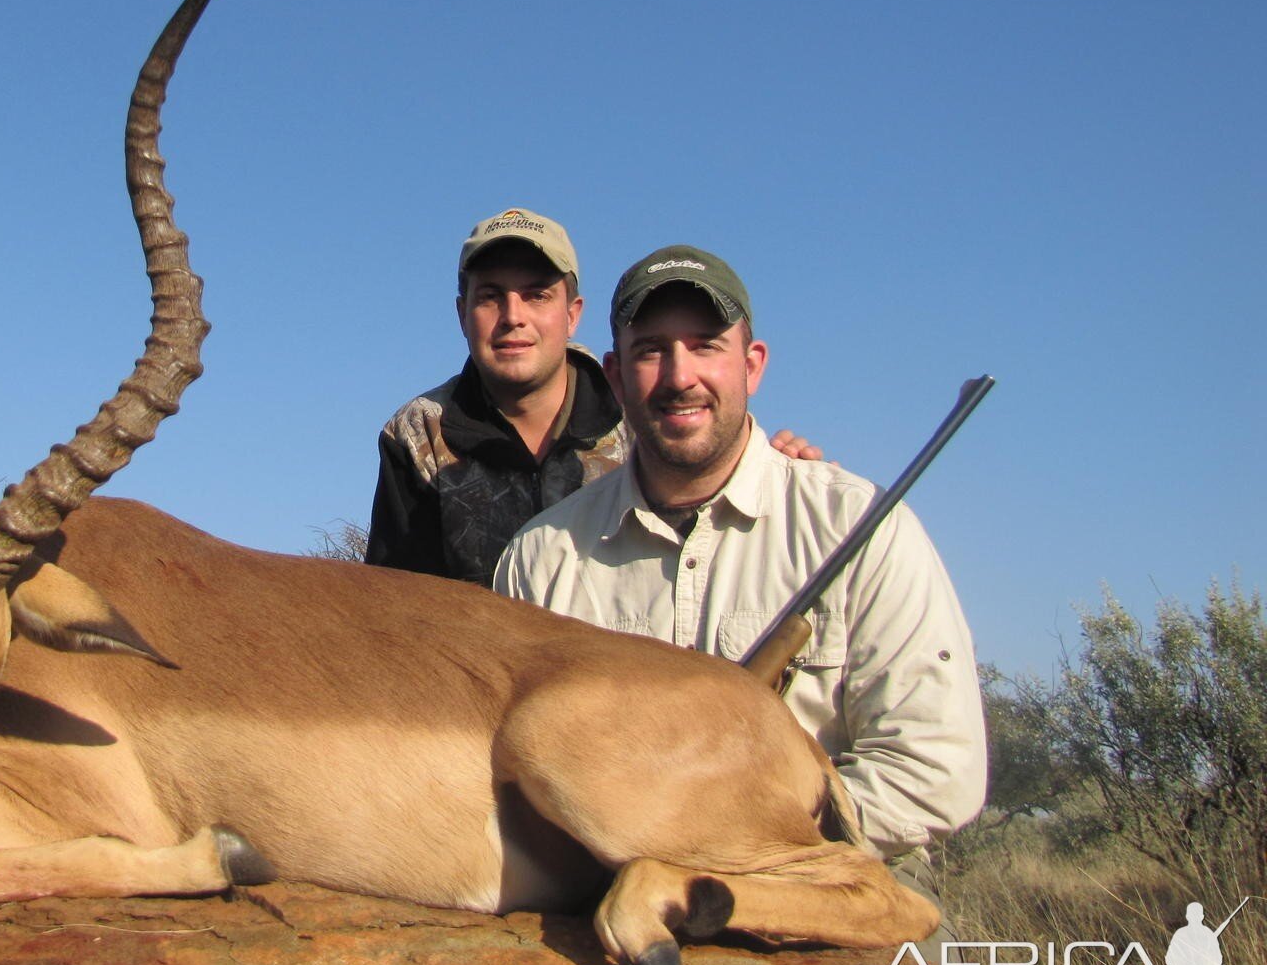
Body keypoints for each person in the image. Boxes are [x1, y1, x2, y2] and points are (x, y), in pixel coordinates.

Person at [493, 243, 986, 911]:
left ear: (752, 366)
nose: (679, 375)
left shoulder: (863, 526)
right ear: (613, 375)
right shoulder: (540, 558)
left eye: (705, 346)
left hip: (828, 880)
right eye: (650, 350)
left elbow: (935, 769)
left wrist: (737, 848)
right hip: (602, 890)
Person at [365, 211, 820, 587]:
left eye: (537, 295)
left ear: (572, 314)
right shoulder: (419, 432)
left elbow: (722, 468)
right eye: (490, 297)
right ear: (463, 314)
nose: (513, 317)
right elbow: (400, 603)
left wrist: (776, 470)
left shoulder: (644, 401)